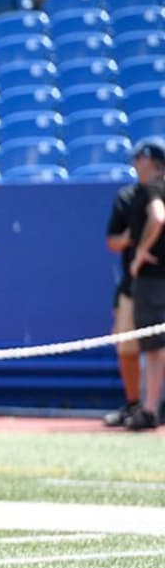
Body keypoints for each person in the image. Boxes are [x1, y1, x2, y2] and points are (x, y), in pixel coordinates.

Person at [126, 138, 165, 431]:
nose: (134, 164)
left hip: (154, 281)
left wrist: (140, 252)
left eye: (138, 158)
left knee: (154, 346)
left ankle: (151, 407)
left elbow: (158, 217)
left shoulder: (152, 188)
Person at [103, 162, 145, 426]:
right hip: (134, 284)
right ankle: (134, 403)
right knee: (127, 345)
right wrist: (134, 236)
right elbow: (112, 240)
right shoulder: (128, 197)